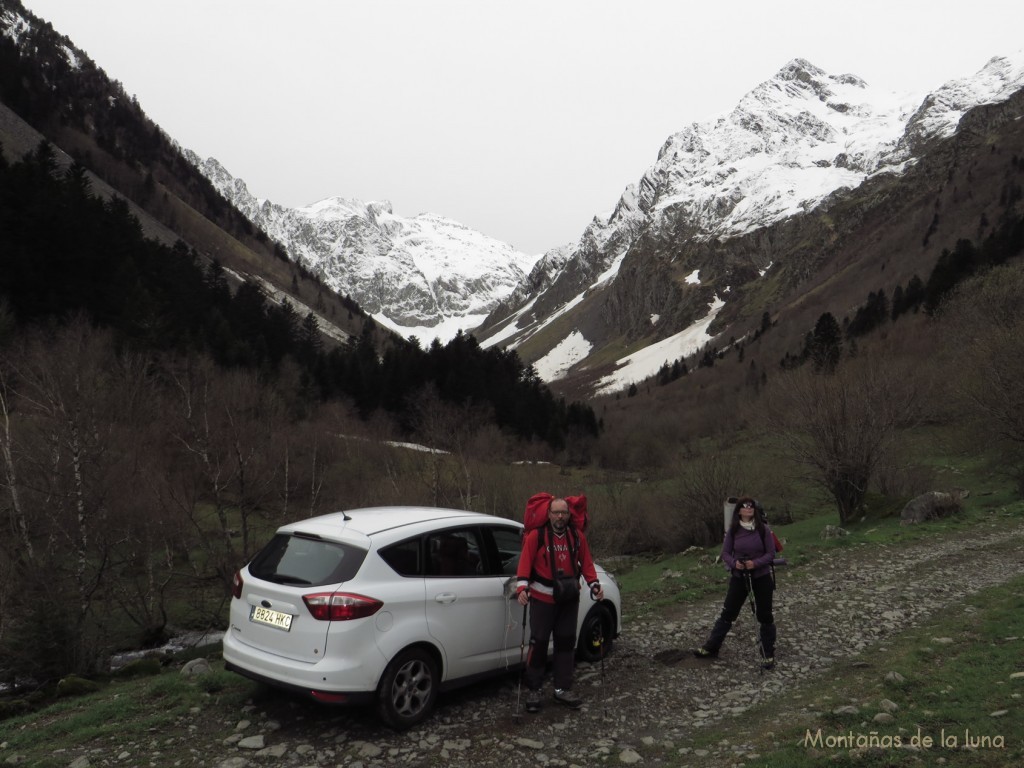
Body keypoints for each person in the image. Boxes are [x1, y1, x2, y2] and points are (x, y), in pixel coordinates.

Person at [516, 496, 603, 712]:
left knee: (566, 644)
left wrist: (594, 585)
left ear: (569, 515)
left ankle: (562, 689)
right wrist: (522, 588)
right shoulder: (537, 537)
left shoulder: (577, 537)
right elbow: (524, 565)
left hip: (569, 599)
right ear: (548, 514)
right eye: (556, 513)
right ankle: (534, 690)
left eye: (564, 513)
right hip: (542, 599)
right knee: (539, 644)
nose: (560, 517)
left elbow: (587, 564)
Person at [693, 496, 777, 669]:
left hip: (761, 576)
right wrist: (735, 564)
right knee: (728, 612)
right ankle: (712, 647)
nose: (748, 509)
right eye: (745, 507)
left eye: (751, 506)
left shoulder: (763, 530)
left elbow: (771, 554)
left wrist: (755, 563)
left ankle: (767, 653)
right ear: (738, 510)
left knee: (765, 615)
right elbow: (725, 554)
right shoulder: (733, 531)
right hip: (739, 577)